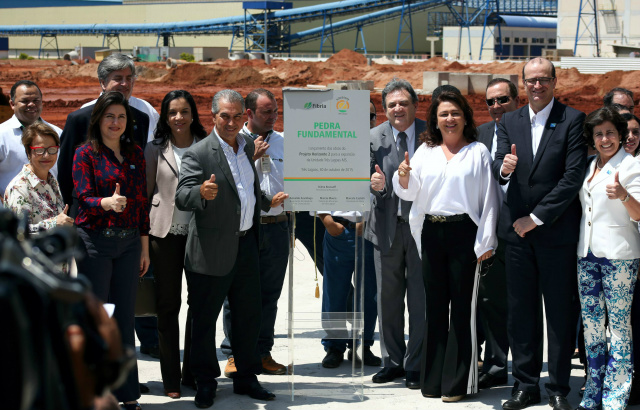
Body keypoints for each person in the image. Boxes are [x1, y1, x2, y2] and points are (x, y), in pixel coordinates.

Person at [175, 89, 287, 409]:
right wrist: (201, 191)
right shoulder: (199, 153)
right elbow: (182, 196)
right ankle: (206, 381)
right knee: (204, 319)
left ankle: (246, 376)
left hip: (247, 245)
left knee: (248, 317)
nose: (232, 122)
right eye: (225, 115)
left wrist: (267, 202)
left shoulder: (248, 145)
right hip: (210, 251)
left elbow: (245, 190)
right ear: (213, 116)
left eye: (238, 116)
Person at [492, 57, 587, 410]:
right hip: (517, 236)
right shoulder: (510, 121)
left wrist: (536, 217)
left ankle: (559, 387)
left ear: (554, 82)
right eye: (531, 80)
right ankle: (525, 383)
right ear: (522, 84)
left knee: (559, 313)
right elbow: (499, 166)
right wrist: (504, 169)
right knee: (521, 312)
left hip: (555, 234)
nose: (537, 86)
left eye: (543, 79)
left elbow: (571, 178)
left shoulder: (572, 120)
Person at [393, 90, 499, 402]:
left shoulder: (478, 151)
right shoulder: (425, 150)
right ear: (435, 120)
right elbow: (413, 193)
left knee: (464, 310)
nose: (449, 119)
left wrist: (486, 241)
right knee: (435, 309)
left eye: (455, 113)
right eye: (443, 114)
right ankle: (434, 380)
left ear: (465, 117)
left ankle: (458, 383)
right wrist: (403, 177)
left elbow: (490, 199)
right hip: (432, 232)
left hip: (466, 233)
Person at [72, 91, 150, 410]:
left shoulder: (135, 154)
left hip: (130, 243)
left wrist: (144, 246)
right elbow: (83, 197)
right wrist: (105, 202)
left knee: (124, 319)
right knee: (100, 317)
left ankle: (126, 392)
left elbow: (142, 204)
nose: (115, 123)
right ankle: (95, 392)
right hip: (95, 242)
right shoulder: (85, 154)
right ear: (98, 120)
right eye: (109, 116)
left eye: (121, 117)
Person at [220, 88, 290, 377]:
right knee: (236, 295)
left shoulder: (286, 143)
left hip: (277, 229)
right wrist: (252, 157)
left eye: (274, 111)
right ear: (248, 114)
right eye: (266, 111)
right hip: (246, 230)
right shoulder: (233, 142)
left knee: (269, 295)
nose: (272, 116)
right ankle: (235, 354)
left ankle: (262, 352)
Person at [144, 90, 206, 399]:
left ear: (193, 114)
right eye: (172, 113)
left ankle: (192, 373)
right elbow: (145, 193)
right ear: (165, 118)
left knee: (199, 305)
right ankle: (170, 379)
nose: (178, 118)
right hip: (164, 234)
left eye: (183, 111)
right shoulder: (155, 149)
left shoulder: (208, 147)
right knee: (168, 305)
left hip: (200, 234)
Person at [577, 106, 640, 410]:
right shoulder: (590, 166)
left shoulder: (631, 166)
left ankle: (615, 397)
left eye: (610, 133)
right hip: (586, 256)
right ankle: (593, 392)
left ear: (620, 135)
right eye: (599, 133)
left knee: (618, 328)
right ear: (592, 137)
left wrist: (625, 196)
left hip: (619, 258)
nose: (605, 139)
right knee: (592, 328)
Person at [367, 78, 426, 389]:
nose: (398, 108)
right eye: (391, 104)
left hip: (421, 230)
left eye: (403, 103)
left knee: (420, 300)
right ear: (385, 110)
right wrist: (374, 186)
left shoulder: (432, 134)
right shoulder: (372, 138)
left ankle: (416, 363)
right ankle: (392, 362)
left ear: (415, 105)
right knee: (387, 300)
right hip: (386, 229)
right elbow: (361, 179)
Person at [475, 77, 519, 390]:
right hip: (489, 232)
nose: (496, 106)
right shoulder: (480, 135)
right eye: (491, 101)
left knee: (523, 303)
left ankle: (525, 366)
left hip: (522, 230)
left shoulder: (526, 131)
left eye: (502, 99)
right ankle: (496, 364)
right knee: (490, 302)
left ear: (517, 100)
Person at [318, 210, 380, 368]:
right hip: (337, 230)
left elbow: (382, 191)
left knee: (368, 293)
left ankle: (362, 345)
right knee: (335, 292)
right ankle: (334, 346)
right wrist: (326, 220)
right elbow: (317, 186)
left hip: (368, 229)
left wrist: (369, 218)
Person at [4, 122, 73, 235]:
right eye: (39, 150)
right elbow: (17, 232)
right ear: (28, 152)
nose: (46, 155)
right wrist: (54, 224)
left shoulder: (51, 180)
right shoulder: (19, 188)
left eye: (52, 149)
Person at [0, 80, 62, 196]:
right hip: (12, 211)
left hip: (53, 208)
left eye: (36, 100)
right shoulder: (1, 135)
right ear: (12, 104)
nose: (31, 104)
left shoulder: (58, 133)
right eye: (25, 101)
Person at [81, 53, 160, 141]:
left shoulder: (146, 110)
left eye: (128, 79)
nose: (124, 84)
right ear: (103, 83)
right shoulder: (86, 114)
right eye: (118, 79)